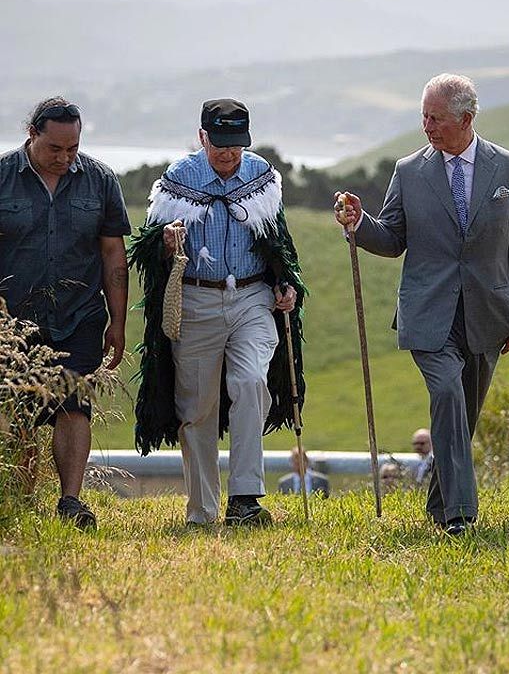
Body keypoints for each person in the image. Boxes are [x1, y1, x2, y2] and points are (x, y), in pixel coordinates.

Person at [334, 73, 509, 535]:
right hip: (428, 313)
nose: (427, 126)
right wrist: (359, 222)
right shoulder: (409, 171)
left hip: (488, 313)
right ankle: (461, 515)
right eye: (423, 116)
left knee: (462, 414)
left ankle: (436, 505)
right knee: (446, 393)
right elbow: (391, 239)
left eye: (436, 118)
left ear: (466, 119)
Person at [129, 98, 306, 527]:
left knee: (249, 381)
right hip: (197, 301)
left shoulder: (260, 176)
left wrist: (288, 285)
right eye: (220, 144)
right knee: (197, 407)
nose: (228, 154)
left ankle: (245, 500)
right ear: (202, 137)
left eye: (237, 145)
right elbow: (147, 247)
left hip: (251, 298)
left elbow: (278, 243)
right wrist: (167, 243)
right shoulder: (178, 179)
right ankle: (202, 510)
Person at [0, 96, 130, 529]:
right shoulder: (2, 178)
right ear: (31, 135)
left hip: (79, 316)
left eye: (72, 148)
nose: (64, 157)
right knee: (17, 411)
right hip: (13, 320)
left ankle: (70, 502)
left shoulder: (100, 181)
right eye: (54, 148)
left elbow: (114, 255)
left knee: (75, 406)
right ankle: (20, 495)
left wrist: (118, 321)